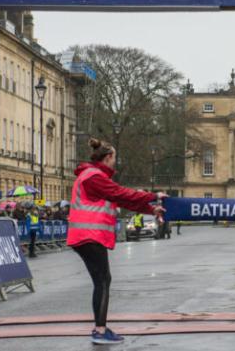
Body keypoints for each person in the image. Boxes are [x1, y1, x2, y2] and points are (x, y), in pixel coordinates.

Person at [67, 138, 166, 345]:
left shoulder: (94, 177)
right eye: (115, 158)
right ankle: (100, 330)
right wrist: (152, 196)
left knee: (103, 280)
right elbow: (120, 193)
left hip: (87, 236)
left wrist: (151, 209)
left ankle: (100, 327)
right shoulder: (94, 177)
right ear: (109, 157)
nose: (115, 163)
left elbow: (120, 199)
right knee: (103, 280)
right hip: (89, 235)